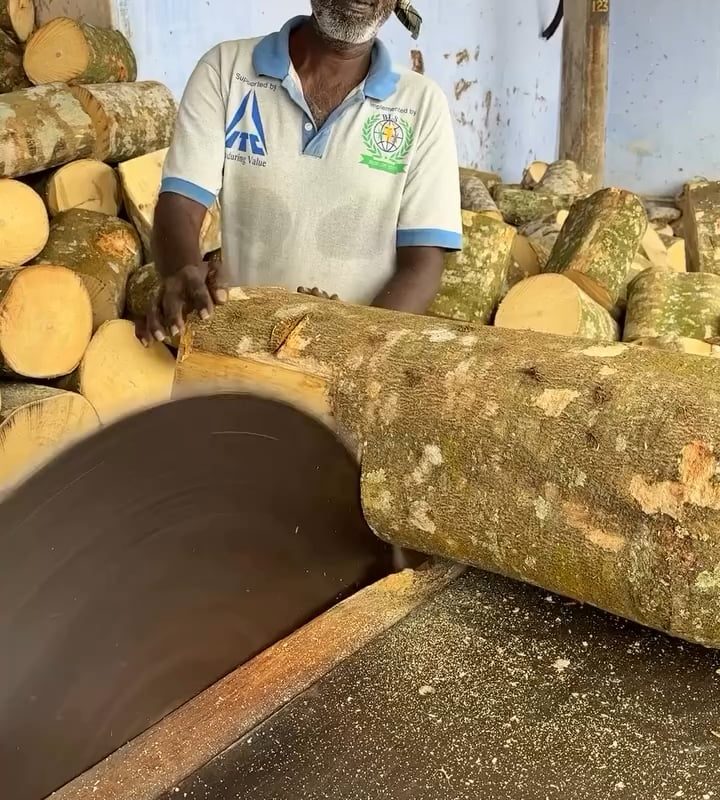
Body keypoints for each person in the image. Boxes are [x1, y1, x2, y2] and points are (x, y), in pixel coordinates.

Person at [138, 0, 462, 344]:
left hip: (350, 367)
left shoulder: (421, 105)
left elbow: (422, 267)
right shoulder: (226, 70)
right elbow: (179, 206)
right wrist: (183, 272)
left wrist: (350, 342)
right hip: (239, 345)